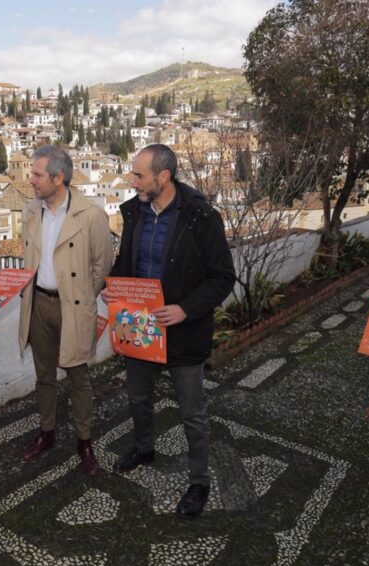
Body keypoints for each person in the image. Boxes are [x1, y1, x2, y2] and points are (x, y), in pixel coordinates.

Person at [101, 144, 236, 518]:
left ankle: (199, 481)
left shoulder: (201, 217)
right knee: (138, 398)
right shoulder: (134, 213)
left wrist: (185, 309)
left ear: (163, 177)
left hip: (184, 330)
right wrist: (112, 286)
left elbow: (223, 276)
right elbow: (126, 261)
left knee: (192, 412)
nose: (132, 181)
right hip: (139, 328)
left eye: (139, 175)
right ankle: (144, 448)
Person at [18, 145, 114, 474]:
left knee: (78, 377)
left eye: (37, 175)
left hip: (72, 306)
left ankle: (84, 441)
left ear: (59, 178)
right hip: (37, 304)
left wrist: (83, 296)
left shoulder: (90, 216)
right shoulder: (32, 211)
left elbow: (103, 266)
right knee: (44, 376)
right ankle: (47, 433)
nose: (30, 180)